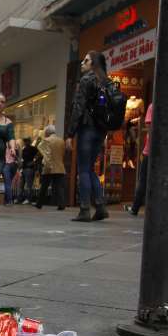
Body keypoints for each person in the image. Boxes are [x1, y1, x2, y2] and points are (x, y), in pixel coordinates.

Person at [67, 50, 110, 222]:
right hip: (100, 131)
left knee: (83, 169)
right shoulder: (105, 81)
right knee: (90, 168)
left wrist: (70, 133)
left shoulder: (86, 80)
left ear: (93, 64)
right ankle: (100, 206)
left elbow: (78, 108)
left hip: (87, 129)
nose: (82, 63)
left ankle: (84, 209)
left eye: (86, 60)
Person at [125, 102, 154, 216]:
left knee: (143, 179)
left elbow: (149, 127)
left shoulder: (152, 106)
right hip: (164, 152)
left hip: (150, 151)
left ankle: (135, 208)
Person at [35, 125, 66, 210]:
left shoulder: (45, 141)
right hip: (60, 166)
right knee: (59, 187)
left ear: (47, 132)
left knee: (44, 186)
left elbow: (44, 153)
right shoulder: (61, 141)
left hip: (49, 166)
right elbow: (63, 153)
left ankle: (39, 203)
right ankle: (61, 204)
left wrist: (47, 163)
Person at [18, 137, 39, 204]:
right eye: (25, 141)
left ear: (29, 141)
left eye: (26, 141)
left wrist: (33, 162)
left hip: (29, 168)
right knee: (21, 184)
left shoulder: (33, 148)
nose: (25, 142)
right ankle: (20, 199)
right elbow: (22, 158)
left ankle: (28, 199)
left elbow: (38, 155)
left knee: (28, 185)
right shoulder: (24, 149)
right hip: (24, 168)